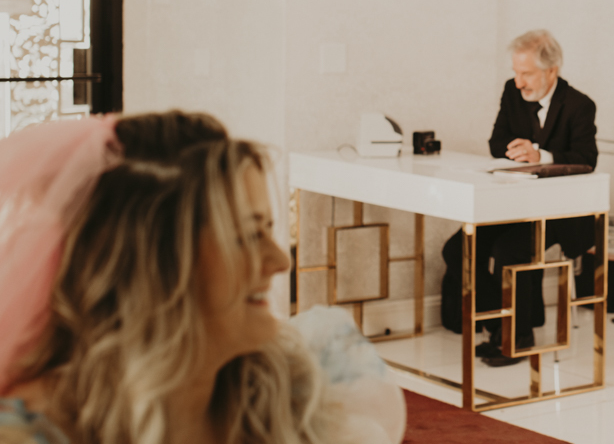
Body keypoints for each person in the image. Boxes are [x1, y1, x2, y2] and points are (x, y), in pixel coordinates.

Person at [0, 112, 403, 444]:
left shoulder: (291, 387)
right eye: (246, 236)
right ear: (152, 265)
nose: (280, 260)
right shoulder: (32, 432)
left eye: (268, 229)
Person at [440, 30, 598, 366]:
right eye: (515, 72)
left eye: (526, 73)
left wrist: (540, 155)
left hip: (561, 211)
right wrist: (518, 151)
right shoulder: (512, 94)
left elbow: (587, 159)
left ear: (551, 70)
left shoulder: (579, 105)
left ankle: (518, 337)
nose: (518, 81)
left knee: (509, 250)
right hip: (515, 205)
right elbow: (496, 143)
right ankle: (502, 322)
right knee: (457, 249)